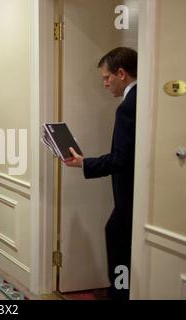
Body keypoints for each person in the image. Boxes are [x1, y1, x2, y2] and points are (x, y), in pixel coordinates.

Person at [64, 47, 137, 300]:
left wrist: (85, 163)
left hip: (130, 194)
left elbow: (121, 159)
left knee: (116, 237)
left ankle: (119, 293)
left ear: (121, 73)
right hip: (135, 194)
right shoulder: (142, 97)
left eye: (106, 78)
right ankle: (121, 290)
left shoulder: (127, 107)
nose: (105, 83)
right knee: (118, 237)